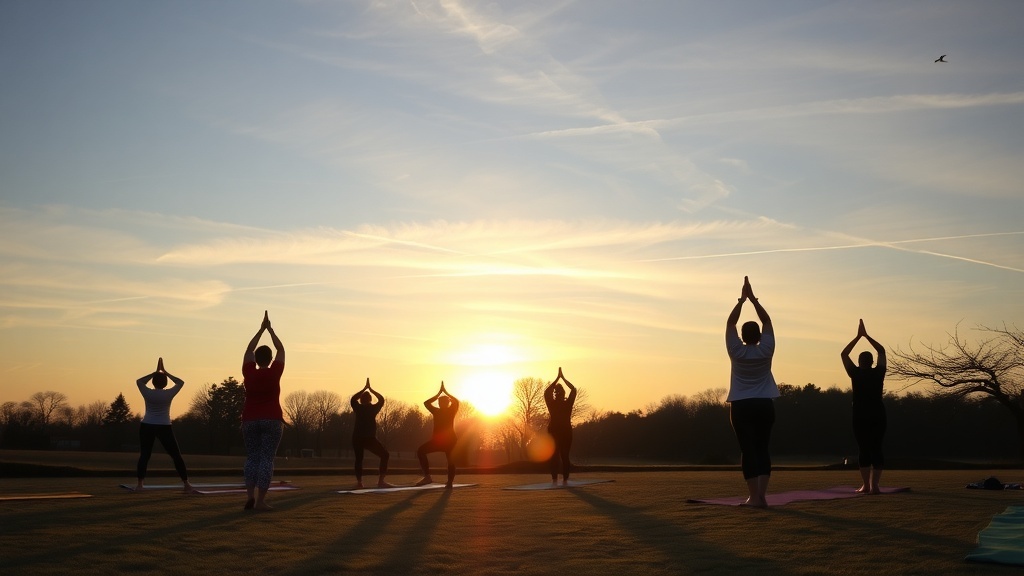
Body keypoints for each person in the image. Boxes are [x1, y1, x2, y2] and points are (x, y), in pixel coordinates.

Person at [725, 276, 779, 508]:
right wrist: (754, 300)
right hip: (764, 404)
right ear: (759, 336)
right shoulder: (766, 349)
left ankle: (753, 497)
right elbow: (766, 320)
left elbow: (730, 324)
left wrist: (741, 300)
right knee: (762, 448)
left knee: (748, 450)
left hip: (741, 405)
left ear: (743, 337)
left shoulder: (736, 350)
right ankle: (762, 496)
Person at [241, 311, 285, 511]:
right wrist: (271, 330)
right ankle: (260, 501)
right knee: (266, 459)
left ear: (256, 359)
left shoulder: (248, 372)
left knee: (252, 458)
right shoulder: (275, 371)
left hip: (249, 419)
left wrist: (260, 330)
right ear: (269, 359)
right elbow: (281, 349)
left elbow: (249, 348)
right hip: (272, 419)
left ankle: (249, 495)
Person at [841, 319, 887, 494]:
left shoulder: (855, 373)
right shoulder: (879, 372)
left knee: (864, 448)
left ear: (860, 362)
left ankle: (866, 486)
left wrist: (858, 337)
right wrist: (867, 336)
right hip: (878, 414)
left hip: (860, 415)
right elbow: (881, 350)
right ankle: (874, 485)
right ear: (872, 361)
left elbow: (844, 354)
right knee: (877, 447)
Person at [134, 357, 194, 493]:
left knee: (145, 455)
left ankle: (140, 485)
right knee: (176, 455)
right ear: (165, 383)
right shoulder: (168, 393)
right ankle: (186, 484)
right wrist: (165, 372)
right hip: (164, 426)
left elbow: (139, 381)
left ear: (154, 382)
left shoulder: (147, 392)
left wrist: (155, 372)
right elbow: (180, 382)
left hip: (147, 425)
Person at [415, 382, 460, 488]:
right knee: (421, 451)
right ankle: (427, 477)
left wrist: (444, 393)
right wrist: (440, 393)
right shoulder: (437, 411)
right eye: (440, 403)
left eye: (443, 403)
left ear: (447, 403)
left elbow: (456, 402)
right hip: (438, 441)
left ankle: (449, 482)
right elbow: (426, 403)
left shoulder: (451, 411)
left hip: (449, 441)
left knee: (450, 461)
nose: (441, 405)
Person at [350, 378, 392, 489]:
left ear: (361, 400)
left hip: (358, 438)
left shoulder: (358, 407)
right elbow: (381, 399)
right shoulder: (373, 408)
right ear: (370, 400)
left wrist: (364, 389)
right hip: (368, 439)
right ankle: (381, 481)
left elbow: (353, 399)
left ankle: (360, 483)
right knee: (385, 455)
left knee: (359, 459)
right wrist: (371, 389)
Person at [544, 367, 577, 485]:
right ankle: (560, 479)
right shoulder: (562, 404)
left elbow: (547, 392)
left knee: (561, 456)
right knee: (560, 456)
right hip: (559, 432)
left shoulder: (556, 404)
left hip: (561, 432)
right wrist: (561, 378)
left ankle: (562, 479)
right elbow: (573, 389)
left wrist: (558, 379)